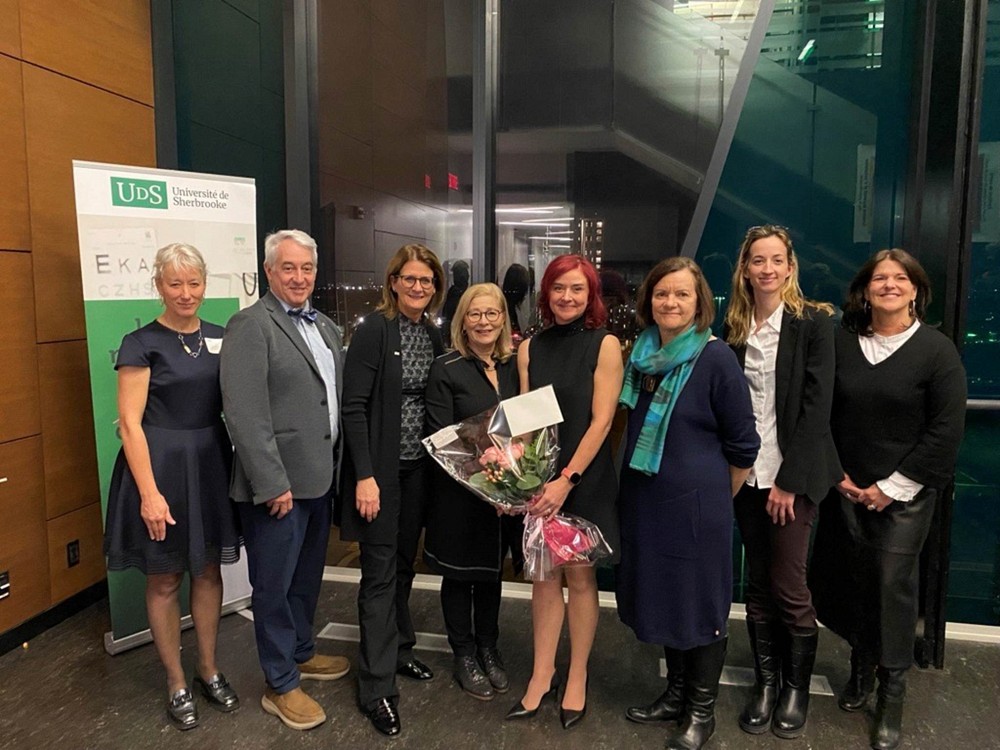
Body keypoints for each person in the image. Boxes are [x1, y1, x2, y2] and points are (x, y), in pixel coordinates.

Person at [822, 249, 966, 750]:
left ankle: (892, 692)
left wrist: (889, 488)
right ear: (864, 290)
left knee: (892, 586)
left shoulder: (936, 350)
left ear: (914, 289)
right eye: (878, 278)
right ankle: (860, 671)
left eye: (898, 278)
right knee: (852, 579)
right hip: (843, 486)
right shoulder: (843, 342)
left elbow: (946, 429)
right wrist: (837, 473)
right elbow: (820, 410)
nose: (888, 285)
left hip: (904, 495)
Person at [618, 257, 759, 750]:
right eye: (661, 294)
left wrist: (718, 496)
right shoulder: (641, 355)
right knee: (665, 598)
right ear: (648, 301)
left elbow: (744, 445)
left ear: (700, 302)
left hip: (698, 508)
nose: (670, 302)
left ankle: (702, 713)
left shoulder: (715, 358)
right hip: (647, 501)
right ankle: (676, 695)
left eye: (681, 294)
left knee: (701, 607)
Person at [104, 243, 242, 731]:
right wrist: (149, 492)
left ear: (205, 285)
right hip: (159, 465)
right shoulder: (140, 343)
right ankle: (175, 681)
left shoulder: (224, 335)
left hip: (209, 461)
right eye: (175, 283)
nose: (186, 293)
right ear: (158, 286)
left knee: (207, 570)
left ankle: (208, 669)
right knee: (164, 578)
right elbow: (129, 423)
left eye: (194, 283)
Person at [220, 229, 349, 731]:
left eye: (307, 269)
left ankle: (300, 651)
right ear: (270, 271)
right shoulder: (251, 325)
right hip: (278, 489)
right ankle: (280, 683)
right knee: (272, 586)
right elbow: (245, 413)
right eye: (288, 268)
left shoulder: (326, 327)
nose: (299, 277)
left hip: (320, 481)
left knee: (304, 580)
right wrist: (271, 482)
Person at [723, 225, 841, 739]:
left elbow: (817, 410)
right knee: (756, 584)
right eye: (757, 261)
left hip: (792, 476)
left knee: (789, 585)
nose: (767, 269)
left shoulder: (813, 323)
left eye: (776, 260)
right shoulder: (734, 326)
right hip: (745, 475)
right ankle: (766, 685)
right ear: (745, 269)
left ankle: (795, 690)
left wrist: (789, 483)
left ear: (790, 267)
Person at [507, 253, 622, 730]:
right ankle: (541, 673)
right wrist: (524, 482)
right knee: (543, 578)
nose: (567, 297)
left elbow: (602, 421)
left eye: (577, 289)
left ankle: (577, 677)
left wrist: (566, 479)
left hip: (583, 480)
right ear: (546, 294)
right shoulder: (529, 348)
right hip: (541, 483)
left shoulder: (605, 344)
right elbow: (524, 424)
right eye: (559, 288)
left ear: (590, 294)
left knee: (579, 578)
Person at [337, 244, 446, 737]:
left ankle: (399, 650)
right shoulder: (374, 331)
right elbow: (354, 407)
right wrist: (364, 475)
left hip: (418, 471)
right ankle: (377, 686)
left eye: (427, 281)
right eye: (411, 279)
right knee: (379, 574)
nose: (419, 287)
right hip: (378, 474)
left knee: (404, 565)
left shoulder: (430, 334)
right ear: (394, 281)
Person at [423, 283, 522, 701]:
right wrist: (488, 485)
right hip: (461, 494)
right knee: (460, 576)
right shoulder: (446, 367)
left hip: (506, 499)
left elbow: (526, 428)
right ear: (463, 320)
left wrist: (517, 485)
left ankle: (489, 646)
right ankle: (463, 653)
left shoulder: (515, 366)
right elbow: (442, 436)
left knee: (491, 575)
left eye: (492, 314)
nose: (484, 322)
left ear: (503, 319)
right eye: (475, 314)